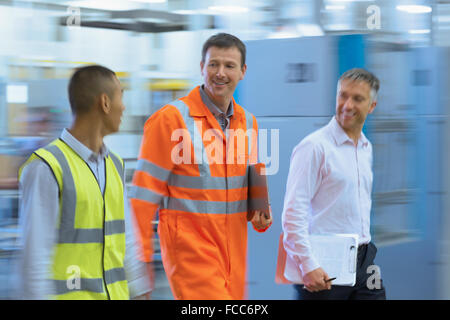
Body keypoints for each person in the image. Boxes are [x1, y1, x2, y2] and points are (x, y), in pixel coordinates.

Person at [130, 33, 272, 300]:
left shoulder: (248, 122)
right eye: (213, 64)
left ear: (243, 72)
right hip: (191, 258)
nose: (220, 73)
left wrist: (262, 210)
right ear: (201, 67)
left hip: (234, 259)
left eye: (229, 66)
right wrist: (139, 271)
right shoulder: (170, 121)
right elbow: (141, 202)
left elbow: (253, 174)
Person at [15, 65, 151, 300]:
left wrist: (139, 289)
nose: (124, 107)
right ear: (105, 102)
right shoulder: (47, 168)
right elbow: (34, 262)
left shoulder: (115, 165)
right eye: (122, 96)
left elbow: (127, 238)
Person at [281, 68, 386, 300]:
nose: (347, 105)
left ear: (372, 106)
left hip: (365, 259)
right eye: (343, 96)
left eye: (357, 99)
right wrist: (308, 265)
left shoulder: (366, 148)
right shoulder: (314, 147)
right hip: (324, 265)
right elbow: (292, 214)